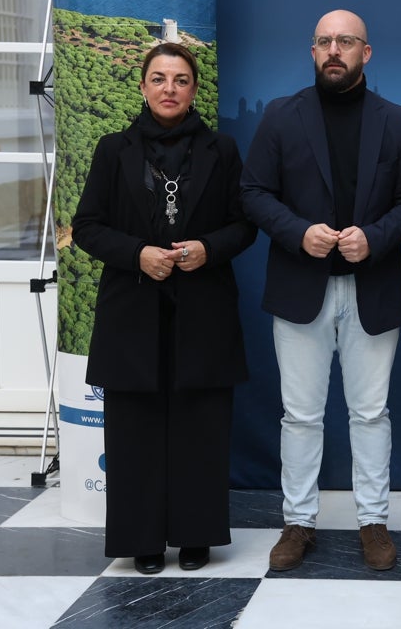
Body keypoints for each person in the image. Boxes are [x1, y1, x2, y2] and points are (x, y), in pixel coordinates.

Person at [241, 9, 401, 573]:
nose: (334, 51)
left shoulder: (398, 121)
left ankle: (373, 522)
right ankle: (298, 523)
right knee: (299, 416)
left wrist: (373, 239)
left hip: (371, 288)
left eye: (345, 42)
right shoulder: (280, 116)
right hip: (302, 287)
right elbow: (252, 193)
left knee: (370, 414)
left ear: (366, 53)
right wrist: (300, 232)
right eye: (324, 41)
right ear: (312, 50)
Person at [71, 41, 256, 575]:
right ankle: (142, 538)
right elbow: (87, 226)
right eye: (159, 78)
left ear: (195, 89)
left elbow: (244, 225)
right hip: (132, 309)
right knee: (135, 431)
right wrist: (136, 254)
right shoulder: (113, 149)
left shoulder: (222, 149)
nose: (169, 89)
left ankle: (197, 535)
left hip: (204, 308)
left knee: (201, 427)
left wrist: (207, 249)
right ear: (143, 86)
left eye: (180, 79)